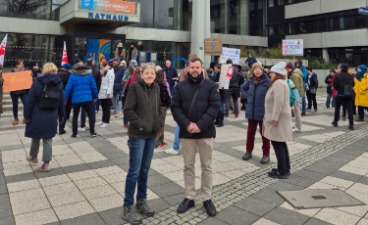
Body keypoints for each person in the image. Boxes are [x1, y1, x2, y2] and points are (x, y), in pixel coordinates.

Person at [171, 57, 220, 217]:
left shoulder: (210, 85)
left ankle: (207, 198)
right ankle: (189, 196)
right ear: (188, 68)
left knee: (207, 166)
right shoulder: (181, 86)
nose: (195, 70)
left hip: (205, 132)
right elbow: (175, 107)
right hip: (187, 133)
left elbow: (214, 107)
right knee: (188, 166)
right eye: (192, 67)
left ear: (202, 68)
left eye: (197, 67)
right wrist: (186, 124)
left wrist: (200, 125)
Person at [122, 63, 161, 225]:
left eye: (152, 73)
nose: (150, 75)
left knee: (145, 169)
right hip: (137, 135)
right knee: (134, 171)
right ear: (142, 74)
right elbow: (128, 110)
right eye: (147, 73)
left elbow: (158, 108)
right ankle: (127, 207)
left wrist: (157, 124)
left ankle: (141, 202)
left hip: (151, 135)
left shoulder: (156, 88)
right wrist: (142, 125)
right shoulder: (134, 87)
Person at [24, 63, 65, 172]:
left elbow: (30, 101)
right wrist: (62, 115)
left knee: (35, 135)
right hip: (52, 115)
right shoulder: (59, 83)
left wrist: (26, 116)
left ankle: (33, 156)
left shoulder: (37, 81)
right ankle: (46, 164)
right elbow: (61, 101)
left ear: (45, 70)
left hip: (37, 113)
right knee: (48, 139)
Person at [263, 62, 293, 179]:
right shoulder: (280, 82)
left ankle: (283, 170)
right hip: (280, 117)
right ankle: (285, 167)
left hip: (278, 118)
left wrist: (274, 118)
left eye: (272, 72)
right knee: (281, 143)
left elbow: (278, 102)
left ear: (278, 74)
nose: (270, 74)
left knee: (277, 143)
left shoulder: (279, 84)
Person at [241, 62, 271, 164]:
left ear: (262, 70)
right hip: (251, 112)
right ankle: (248, 151)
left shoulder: (267, 81)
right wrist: (247, 95)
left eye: (259, 69)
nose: (257, 71)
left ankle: (266, 154)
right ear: (252, 70)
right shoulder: (249, 80)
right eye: (255, 69)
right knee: (250, 133)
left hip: (263, 112)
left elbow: (272, 94)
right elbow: (242, 88)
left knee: (265, 135)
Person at [64, 62, 98, 138]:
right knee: (91, 115)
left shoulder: (73, 76)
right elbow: (94, 87)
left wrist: (65, 99)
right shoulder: (89, 75)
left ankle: (74, 133)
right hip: (88, 98)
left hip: (76, 99)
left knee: (75, 116)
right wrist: (95, 96)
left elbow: (68, 88)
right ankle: (92, 132)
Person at [78, 58, 102, 132]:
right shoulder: (97, 71)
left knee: (83, 110)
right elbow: (99, 83)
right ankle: (92, 127)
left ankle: (82, 126)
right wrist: (96, 93)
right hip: (92, 92)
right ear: (92, 63)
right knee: (92, 110)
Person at [332, 64, 355, 130]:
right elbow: (353, 84)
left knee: (337, 109)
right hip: (349, 95)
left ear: (341, 68)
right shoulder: (350, 76)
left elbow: (335, 85)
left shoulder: (338, 75)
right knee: (350, 110)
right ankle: (351, 125)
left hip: (340, 95)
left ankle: (335, 122)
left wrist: (339, 89)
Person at [155, 69, 171, 148]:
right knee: (160, 125)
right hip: (161, 107)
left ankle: (161, 140)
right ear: (161, 76)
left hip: (164, 106)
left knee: (162, 124)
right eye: (164, 75)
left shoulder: (163, 84)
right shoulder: (159, 85)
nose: (166, 76)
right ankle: (157, 143)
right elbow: (162, 97)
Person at [10, 59, 29, 125]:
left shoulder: (26, 71)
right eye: (21, 64)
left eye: (23, 64)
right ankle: (16, 118)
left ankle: (25, 118)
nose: (22, 65)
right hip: (14, 91)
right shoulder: (12, 71)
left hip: (23, 91)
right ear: (17, 65)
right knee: (15, 105)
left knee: (26, 104)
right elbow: (10, 81)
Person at [286, 63, 303, 132]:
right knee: (296, 111)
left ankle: (298, 127)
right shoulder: (296, 74)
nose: (287, 70)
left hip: (296, 96)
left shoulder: (294, 76)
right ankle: (297, 125)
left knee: (297, 112)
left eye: (287, 68)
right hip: (298, 95)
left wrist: (295, 97)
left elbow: (295, 88)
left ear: (290, 68)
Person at [98, 62, 114, 128]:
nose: (100, 66)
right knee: (103, 107)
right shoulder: (103, 71)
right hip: (102, 92)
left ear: (104, 66)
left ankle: (106, 121)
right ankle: (103, 120)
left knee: (107, 108)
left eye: (101, 65)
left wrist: (109, 92)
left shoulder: (110, 72)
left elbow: (111, 83)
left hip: (106, 93)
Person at [57, 63, 72, 135]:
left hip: (55, 95)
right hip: (64, 96)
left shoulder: (56, 74)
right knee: (63, 112)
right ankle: (61, 129)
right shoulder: (69, 76)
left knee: (55, 112)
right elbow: (69, 88)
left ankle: (53, 128)